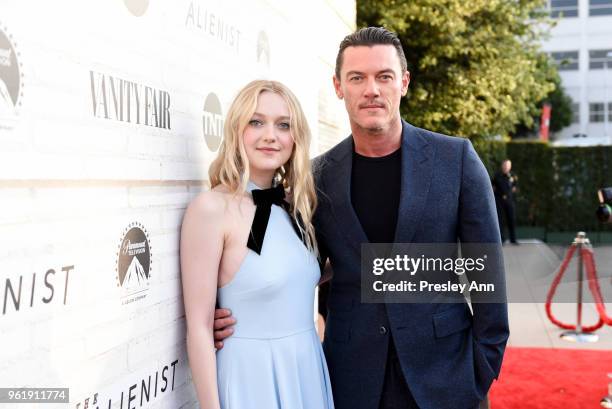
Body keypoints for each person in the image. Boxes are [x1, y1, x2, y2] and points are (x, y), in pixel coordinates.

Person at [214, 28, 509, 409]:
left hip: (446, 378)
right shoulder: (315, 177)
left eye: (384, 76)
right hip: (350, 379)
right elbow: (291, 266)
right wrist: (231, 312)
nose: (372, 89)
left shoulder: (455, 160)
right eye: (357, 78)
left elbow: (487, 274)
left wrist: (481, 368)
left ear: (403, 82)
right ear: (339, 86)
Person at [180, 80, 334, 409]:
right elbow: (198, 327)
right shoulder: (211, 209)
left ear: (296, 137)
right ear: (237, 129)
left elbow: (276, 274)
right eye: (256, 122)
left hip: (305, 368)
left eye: (283, 125)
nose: (270, 135)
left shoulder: (293, 206)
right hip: (252, 377)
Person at [492, 159, 518, 244]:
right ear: (502, 166)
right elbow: (493, 187)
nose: (506, 167)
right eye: (505, 165)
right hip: (499, 201)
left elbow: (515, 187)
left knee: (512, 219)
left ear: (510, 166)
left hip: (510, 201)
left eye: (508, 165)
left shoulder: (513, 176)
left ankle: (513, 239)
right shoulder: (497, 175)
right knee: (500, 220)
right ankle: (501, 239)